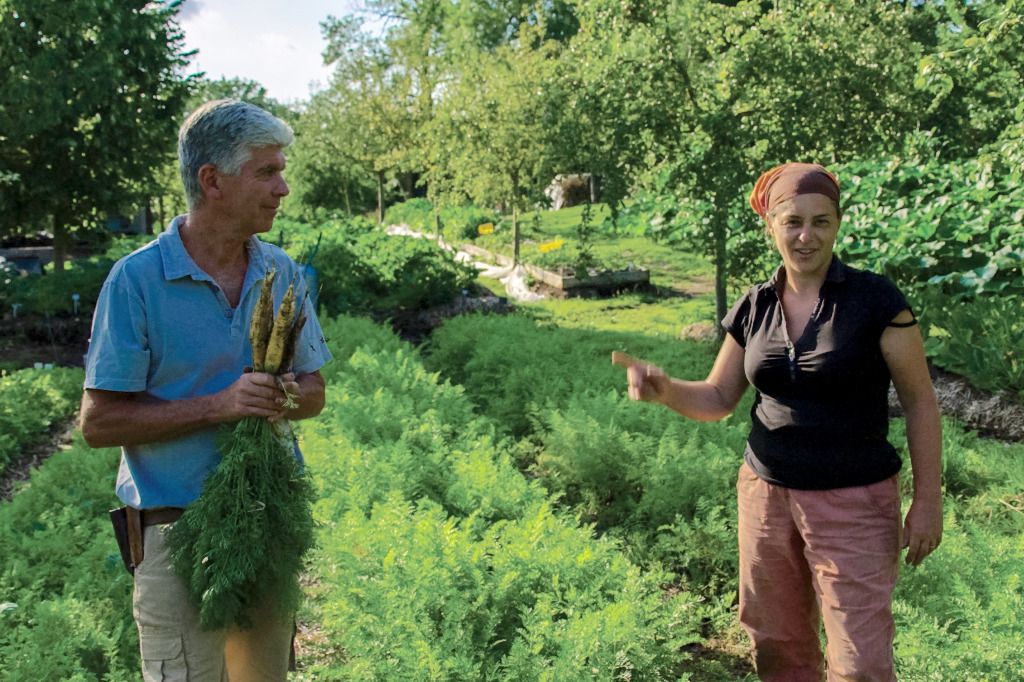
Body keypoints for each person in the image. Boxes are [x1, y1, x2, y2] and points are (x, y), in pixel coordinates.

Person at [613, 163, 942, 681]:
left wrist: (927, 501)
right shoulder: (755, 305)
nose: (806, 236)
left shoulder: (876, 302)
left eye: (821, 222)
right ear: (771, 225)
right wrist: (667, 390)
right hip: (766, 497)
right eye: (792, 222)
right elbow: (719, 395)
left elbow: (921, 402)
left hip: (854, 501)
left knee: (861, 662)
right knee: (777, 647)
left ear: (837, 225)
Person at [80, 99, 332, 682]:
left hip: (266, 521)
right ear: (212, 180)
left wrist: (284, 395)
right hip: (175, 534)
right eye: (267, 171)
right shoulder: (137, 281)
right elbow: (98, 424)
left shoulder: (281, 273)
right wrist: (219, 406)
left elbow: (315, 393)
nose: (283, 187)